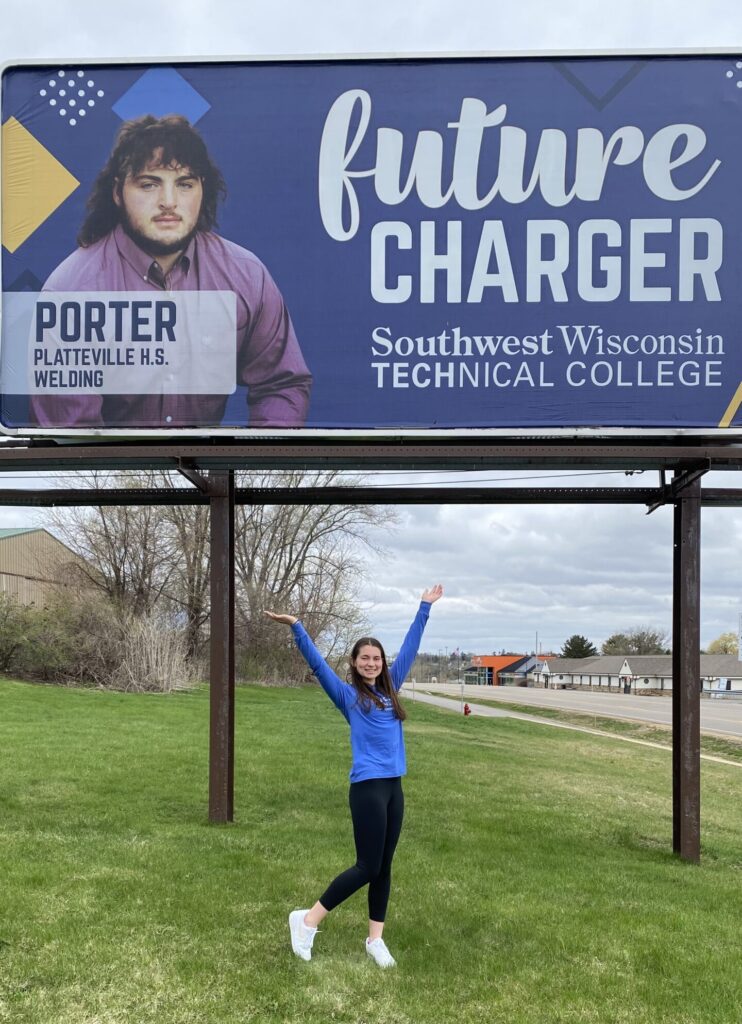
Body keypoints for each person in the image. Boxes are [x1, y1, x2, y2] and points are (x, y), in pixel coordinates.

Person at [31, 114, 312, 429]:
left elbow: (281, 385)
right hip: (112, 474)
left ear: (202, 190)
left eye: (184, 184)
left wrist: (253, 465)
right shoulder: (72, 291)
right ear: (117, 192)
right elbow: (73, 437)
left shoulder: (246, 275)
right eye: (149, 184)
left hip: (209, 475)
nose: (168, 202)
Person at [265, 583, 444, 968]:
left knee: (384, 867)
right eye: (364, 658)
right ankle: (307, 921)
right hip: (366, 789)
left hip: (394, 787)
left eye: (376, 658)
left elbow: (411, 646)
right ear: (355, 662)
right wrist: (297, 626)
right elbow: (316, 665)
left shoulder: (391, 689)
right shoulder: (348, 697)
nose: (371, 663)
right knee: (367, 866)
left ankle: (375, 939)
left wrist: (424, 608)